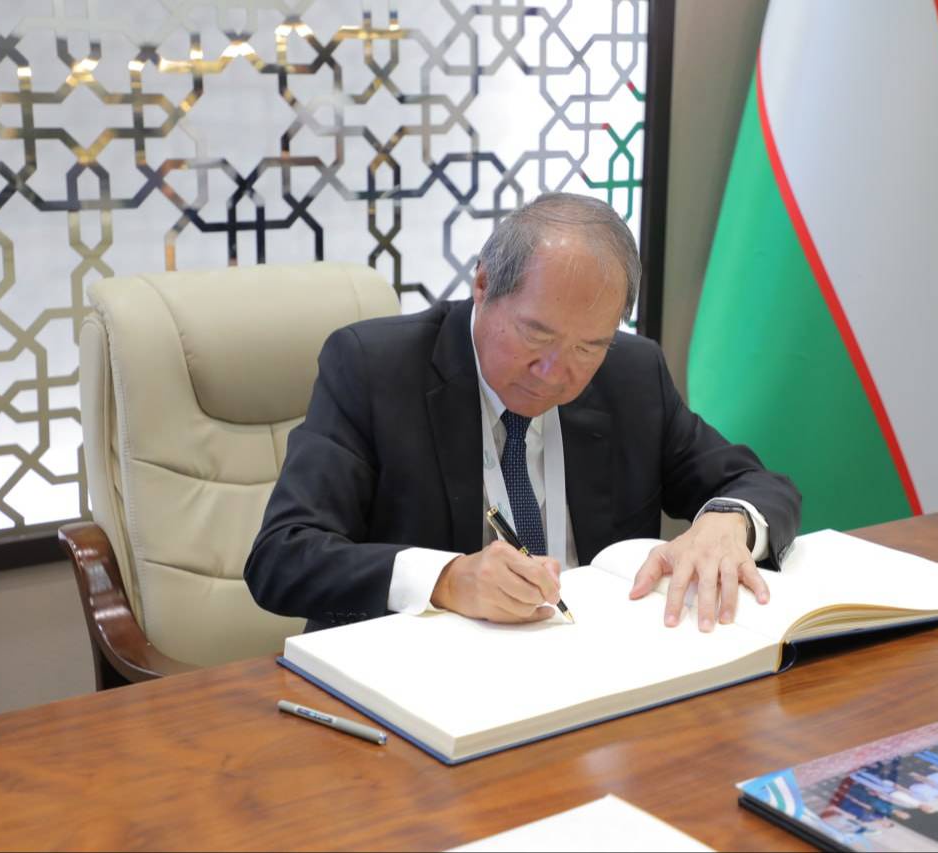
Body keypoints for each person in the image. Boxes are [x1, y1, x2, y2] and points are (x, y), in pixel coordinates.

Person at [245, 192, 801, 632]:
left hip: (597, 674)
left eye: (589, 346)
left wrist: (728, 523)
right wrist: (446, 579)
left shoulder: (631, 374)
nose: (556, 371)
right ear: (483, 285)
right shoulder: (374, 369)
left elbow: (758, 484)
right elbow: (282, 558)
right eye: (536, 334)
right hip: (423, 684)